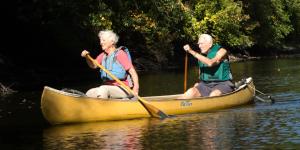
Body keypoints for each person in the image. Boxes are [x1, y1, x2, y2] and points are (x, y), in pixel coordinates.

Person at [81, 30, 139, 99]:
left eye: (103, 40)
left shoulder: (120, 54)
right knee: (89, 92)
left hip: (123, 88)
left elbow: (132, 72)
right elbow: (93, 65)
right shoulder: (103, 55)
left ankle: (102, 108)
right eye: (100, 40)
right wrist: (87, 57)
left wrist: (136, 88)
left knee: (103, 89)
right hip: (108, 87)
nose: (101, 42)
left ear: (112, 42)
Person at [179, 34, 234, 99]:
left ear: (210, 44)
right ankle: (175, 105)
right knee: (190, 92)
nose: (199, 46)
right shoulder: (201, 56)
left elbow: (210, 63)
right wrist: (198, 84)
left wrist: (191, 51)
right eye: (198, 44)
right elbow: (201, 75)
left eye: (201, 44)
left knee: (214, 94)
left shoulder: (222, 51)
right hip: (205, 85)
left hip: (223, 84)